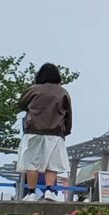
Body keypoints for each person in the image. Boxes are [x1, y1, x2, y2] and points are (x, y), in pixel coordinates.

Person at [16, 63, 72, 202]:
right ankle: (49, 190)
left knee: (31, 162)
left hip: (33, 130)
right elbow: (68, 113)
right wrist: (67, 130)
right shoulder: (62, 92)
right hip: (55, 132)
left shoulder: (33, 90)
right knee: (52, 163)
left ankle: (31, 192)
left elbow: (21, 104)